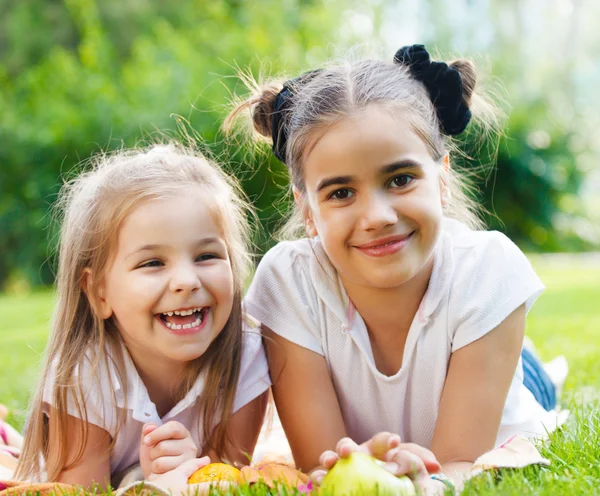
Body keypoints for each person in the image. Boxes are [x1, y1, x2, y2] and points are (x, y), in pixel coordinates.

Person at [225, 45, 566, 493]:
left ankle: (531, 364)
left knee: (532, 385)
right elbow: (322, 465)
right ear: (306, 210)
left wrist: (428, 476)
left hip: (494, 379)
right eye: (341, 193)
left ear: (441, 178)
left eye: (400, 179)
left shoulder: (487, 270)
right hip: (446, 360)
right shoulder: (289, 283)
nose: (378, 216)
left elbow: (456, 463)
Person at [15, 144, 271, 492]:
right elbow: (81, 492)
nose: (186, 281)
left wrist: (190, 476)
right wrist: (149, 485)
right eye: (152, 263)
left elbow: (225, 481)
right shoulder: (83, 377)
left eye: (207, 255)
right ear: (98, 292)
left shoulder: (246, 355)